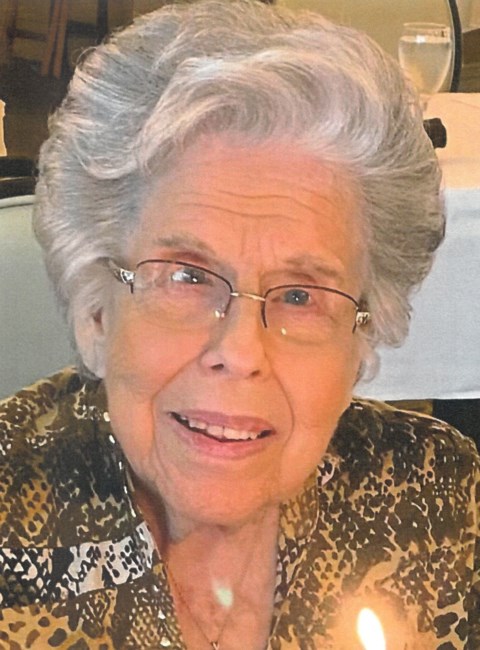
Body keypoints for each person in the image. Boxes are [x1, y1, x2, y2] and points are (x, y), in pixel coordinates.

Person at [0, 1, 478, 648]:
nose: (242, 351)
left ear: (361, 337)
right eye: (187, 276)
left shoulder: (435, 500)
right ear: (96, 311)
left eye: (301, 295)